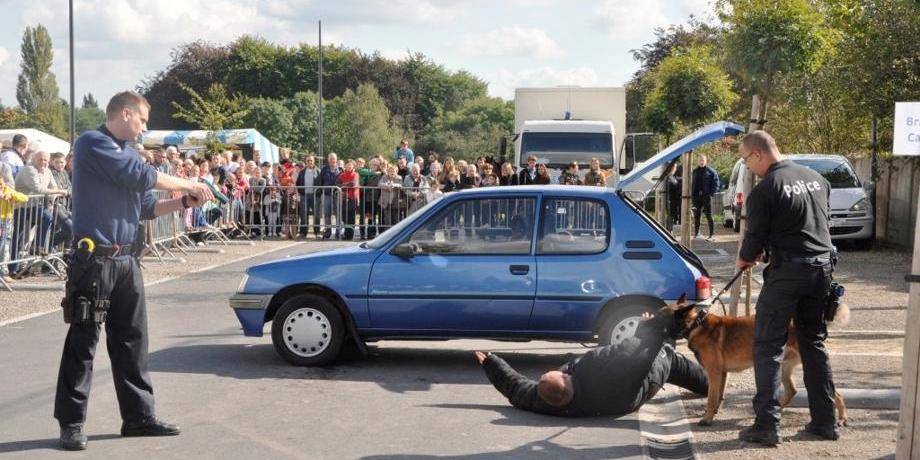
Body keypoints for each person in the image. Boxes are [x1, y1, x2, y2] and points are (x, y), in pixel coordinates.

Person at [54, 91, 215, 451]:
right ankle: (72, 422)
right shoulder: (92, 143)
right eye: (142, 120)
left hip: (127, 259)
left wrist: (182, 202)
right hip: (94, 260)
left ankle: (139, 417)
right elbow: (137, 175)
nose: (144, 127)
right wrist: (189, 183)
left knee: (132, 341)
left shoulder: (128, 152)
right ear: (125, 114)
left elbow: (146, 208)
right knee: (84, 341)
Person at [736, 130, 839, 446]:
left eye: (745, 159)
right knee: (813, 343)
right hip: (821, 270)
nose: (747, 167)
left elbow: (753, 240)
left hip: (788, 274)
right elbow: (812, 225)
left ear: (757, 154)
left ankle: (766, 426)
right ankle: (825, 422)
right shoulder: (817, 179)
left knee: (768, 346)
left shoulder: (766, 190)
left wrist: (743, 260)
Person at [475, 309, 708, 417]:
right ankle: (709, 385)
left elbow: (517, 389)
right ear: (566, 378)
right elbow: (638, 352)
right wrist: (650, 326)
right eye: (560, 372)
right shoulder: (598, 368)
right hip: (644, 380)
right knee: (666, 356)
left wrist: (492, 364)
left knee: (651, 351)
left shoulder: (548, 401)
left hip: (623, 398)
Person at [691, 153, 719, 240]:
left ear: (706, 161)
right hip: (696, 197)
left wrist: (711, 194)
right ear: (697, 161)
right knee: (697, 215)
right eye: (700, 160)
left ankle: (712, 235)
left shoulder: (711, 172)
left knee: (709, 216)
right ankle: (697, 234)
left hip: (706, 196)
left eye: (703, 160)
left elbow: (716, 183)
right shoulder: (694, 172)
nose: (701, 162)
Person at [316, 152, 342, 239]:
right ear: (328, 160)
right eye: (330, 158)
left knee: (338, 213)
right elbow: (320, 181)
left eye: (333, 158)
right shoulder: (324, 169)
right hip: (327, 194)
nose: (332, 160)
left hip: (337, 194)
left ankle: (338, 232)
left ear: (336, 159)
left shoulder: (341, 170)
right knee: (327, 214)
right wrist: (320, 191)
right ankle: (328, 232)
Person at [296, 155, 319, 238]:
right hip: (304, 196)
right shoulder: (302, 172)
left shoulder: (318, 171)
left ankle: (317, 232)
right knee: (303, 214)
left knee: (316, 214)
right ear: (306, 161)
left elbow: (321, 183)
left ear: (314, 161)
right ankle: (303, 232)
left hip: (315, 196)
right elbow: (298, 183)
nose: (310, 162)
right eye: (308, 160)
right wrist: (301, 192)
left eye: (311, 160)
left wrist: (318, 193)